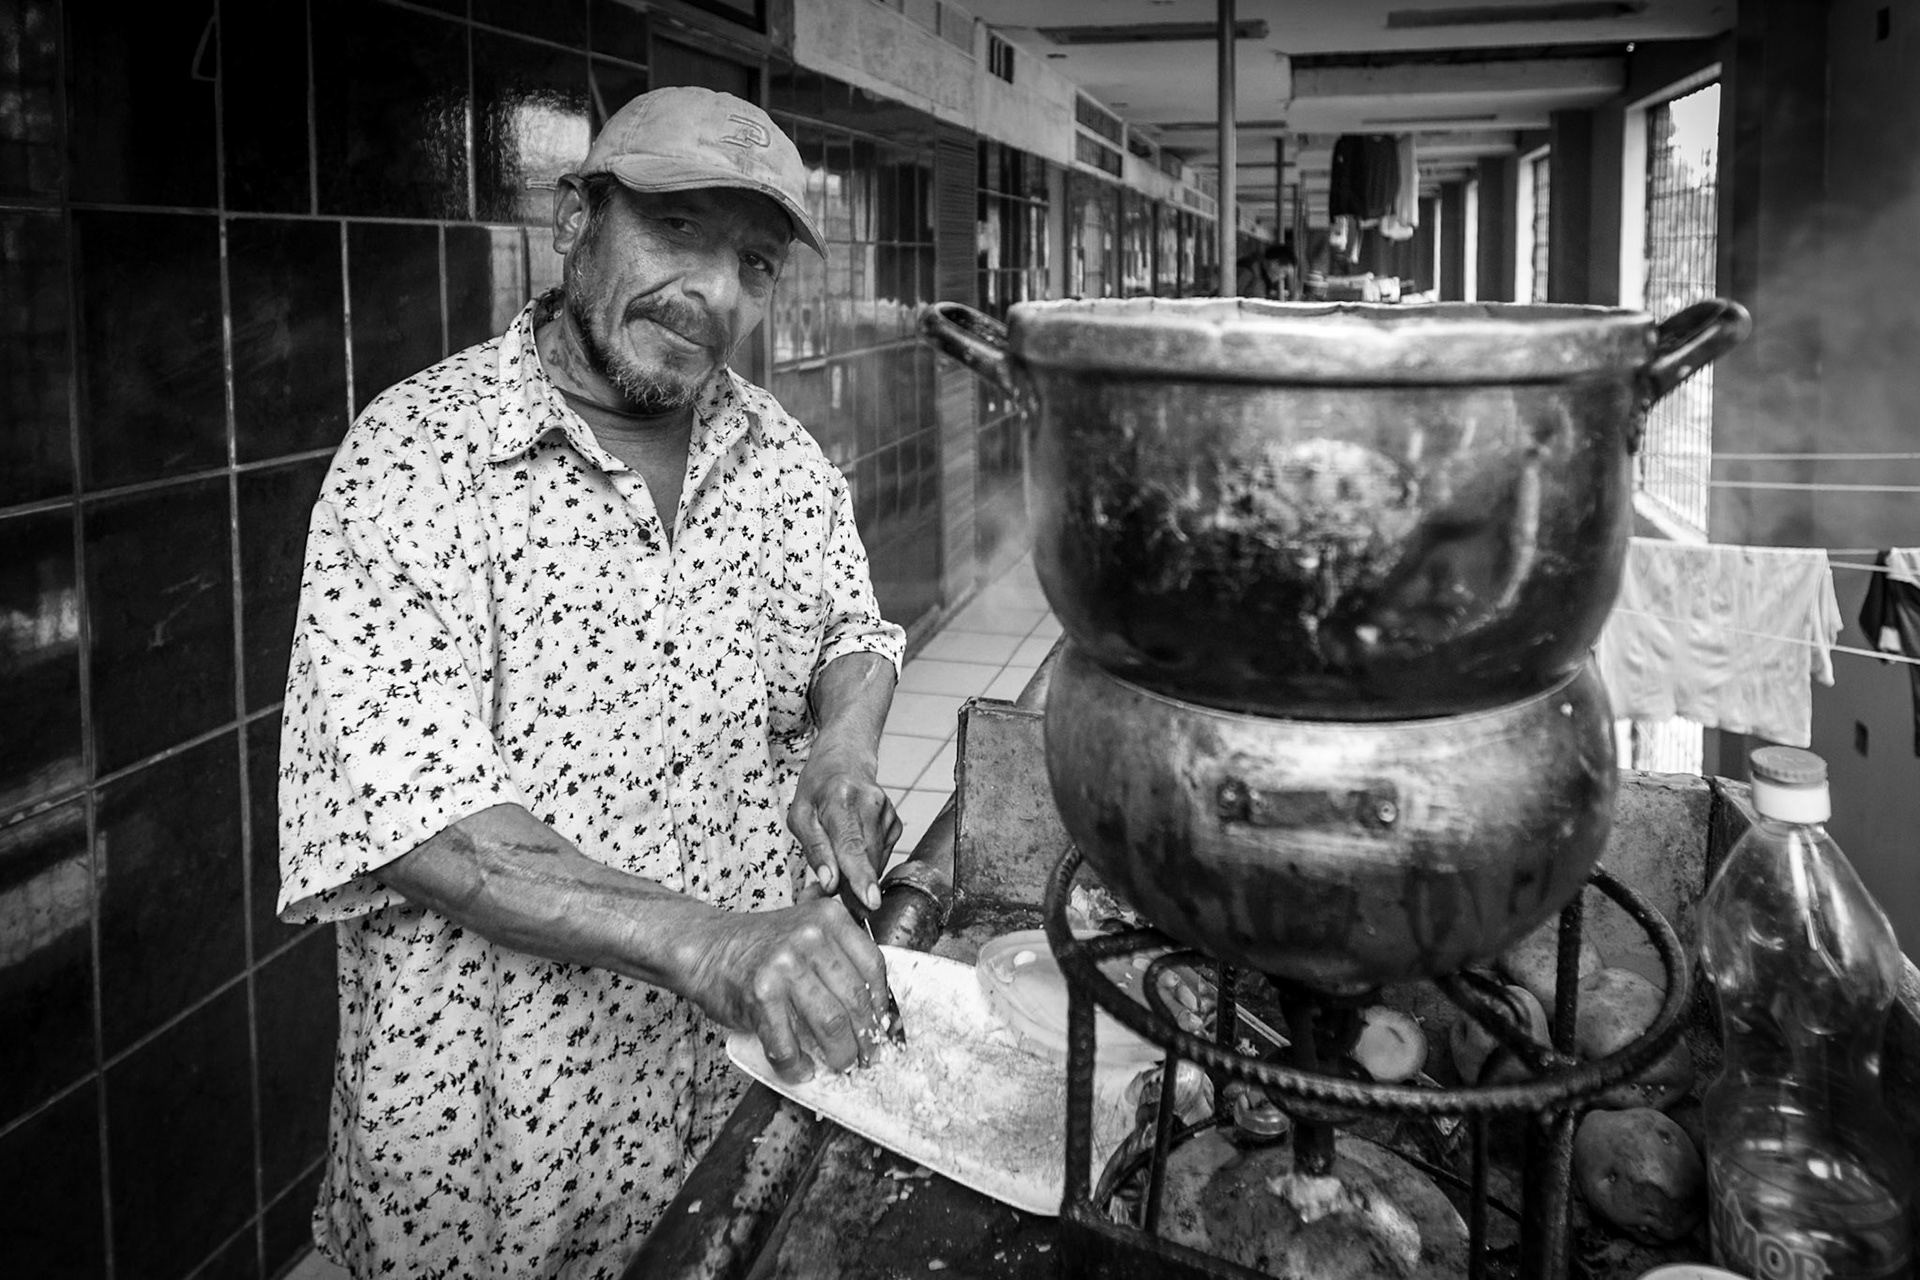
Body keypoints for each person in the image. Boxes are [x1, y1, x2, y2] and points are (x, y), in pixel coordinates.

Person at [277, 86, 908, 1279]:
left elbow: (855, 628)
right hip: (499, 1145)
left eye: (753, 263)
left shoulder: (776, 453)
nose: (715, 293)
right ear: (575, 215)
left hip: (724, 1087)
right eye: (677, 233)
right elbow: (416, 820)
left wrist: (843, 747)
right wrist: (717, 942)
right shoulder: (419, 456)